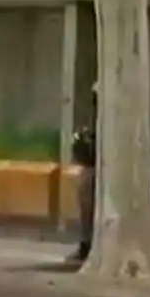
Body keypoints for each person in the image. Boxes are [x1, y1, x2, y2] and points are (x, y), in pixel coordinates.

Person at [66, 82, 98, 263]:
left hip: (101, 170)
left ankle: (88, 245)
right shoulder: (93, 118)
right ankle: (86, 245)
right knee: (86, 210)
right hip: (90, 167)